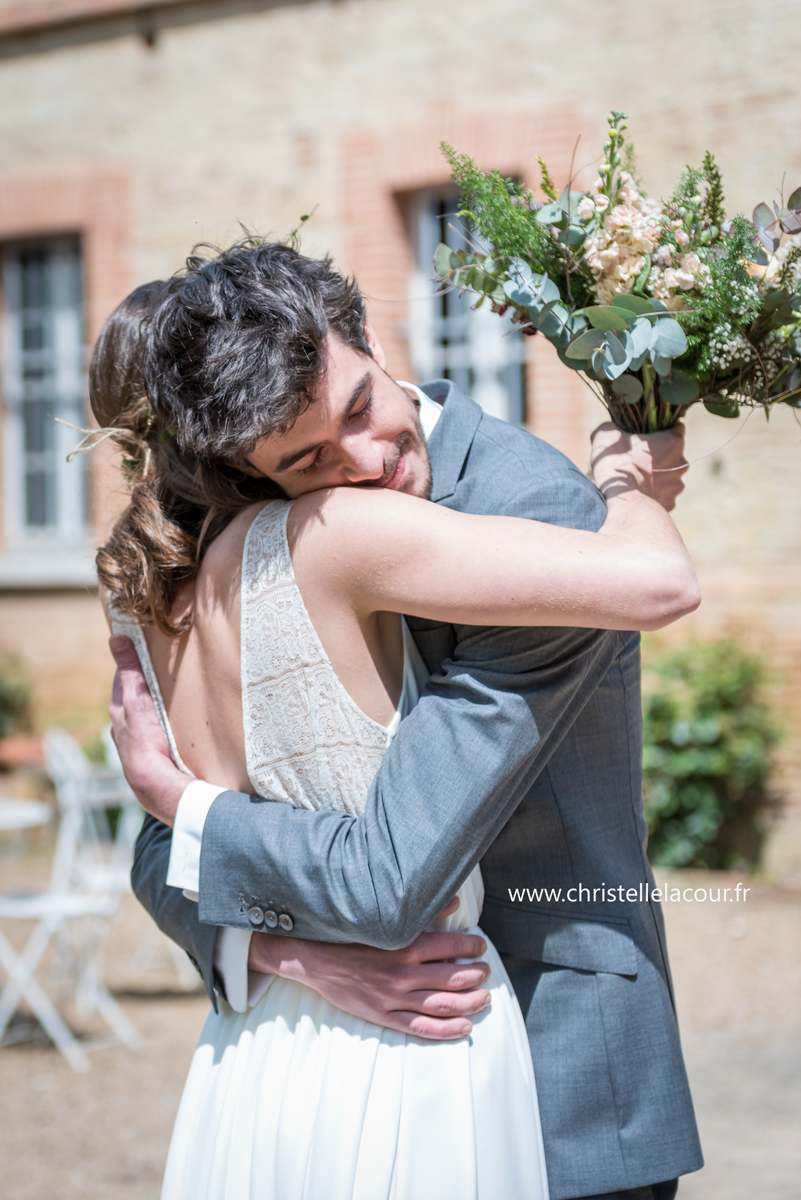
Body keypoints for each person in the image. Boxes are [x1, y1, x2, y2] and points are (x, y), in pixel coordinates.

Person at [104, 241, 703, 1200]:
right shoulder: (259, 546)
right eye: (308, 461)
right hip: (333, 1050)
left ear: (371, 338)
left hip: (548, 1055)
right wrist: (282, 952)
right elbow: (157, 848)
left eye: (360, 408)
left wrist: (187, 805)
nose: (368, 462)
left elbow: (374, 868)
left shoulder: (532, 509)